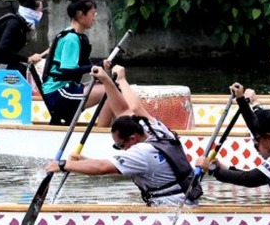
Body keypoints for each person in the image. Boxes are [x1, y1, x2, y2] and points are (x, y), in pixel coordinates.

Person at [45, 72, 202, 207]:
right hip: (187, 200)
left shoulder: (141, 152)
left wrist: (64, 165)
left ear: (132, 139)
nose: (121, 149)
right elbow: (124, 110)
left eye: (120, 145)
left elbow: (102, 168)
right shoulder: (158, 130)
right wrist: (106, 80)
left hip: (172, 208)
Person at [40, 0, 102, 125]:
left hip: (64, 89)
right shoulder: (71, 39)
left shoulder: (73, 35)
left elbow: (85, 64)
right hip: (58, 93)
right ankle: (104, 131)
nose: (94, 18)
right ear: (81, 15)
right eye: (93, 14)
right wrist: (95, 67)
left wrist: (101, 67)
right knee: (110, 91)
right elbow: (67, 71)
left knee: (110, 86)